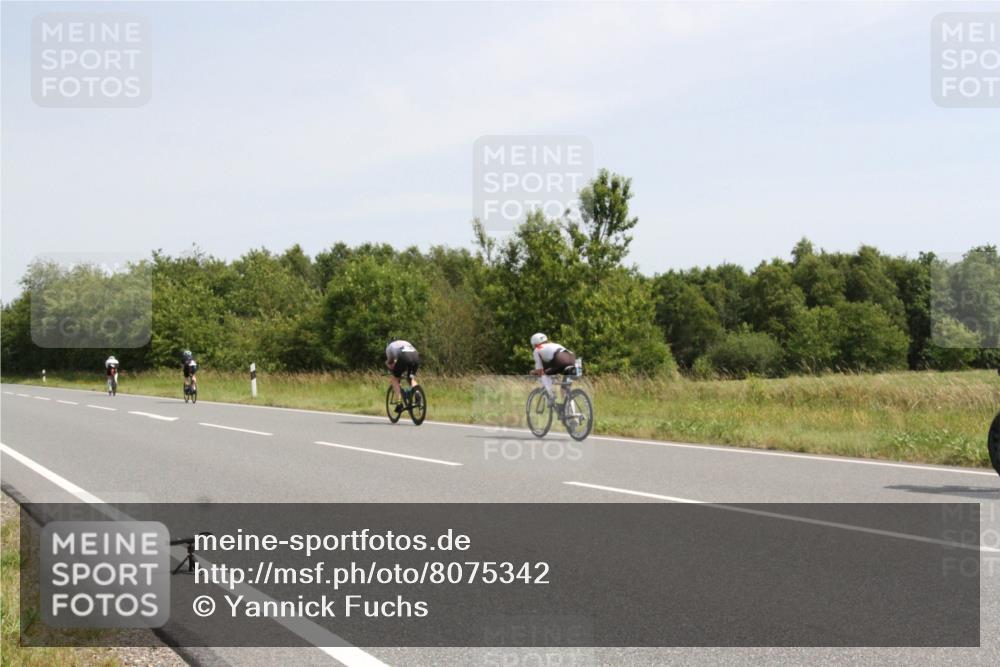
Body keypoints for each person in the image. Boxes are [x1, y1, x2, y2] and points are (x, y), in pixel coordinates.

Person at [529, 333, 577, 401]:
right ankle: (569, 409)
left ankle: (551, 395)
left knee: (544, 375)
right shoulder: (554, 345)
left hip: (561, 359)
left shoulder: (537, 349)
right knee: (564, 390)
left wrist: (534, 372)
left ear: (535, 344)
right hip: (573, 359)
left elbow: (540, 371)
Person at [385, 340, 420, 412]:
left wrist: (391, 370)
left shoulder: (389, 347)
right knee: (410, 378)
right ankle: (417, 393)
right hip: (416, 356)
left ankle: (399, 403)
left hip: (403, 356)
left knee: (394, 378)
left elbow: (390, 362)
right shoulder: (405, 342)